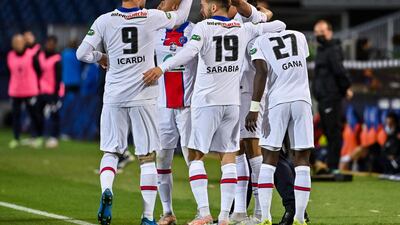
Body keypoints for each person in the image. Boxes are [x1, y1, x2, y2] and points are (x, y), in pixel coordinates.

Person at [144, 0, 285, 223]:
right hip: (232, 103)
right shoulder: (243, 28)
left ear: (212, 8)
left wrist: (162, 67)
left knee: (195, 155)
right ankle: (225, 217)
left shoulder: (203, 27)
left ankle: (205, 213)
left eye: (203, 5)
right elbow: (280, 26)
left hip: (206, 101)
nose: (200, 9)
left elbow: (189, 52)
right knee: (228, 156)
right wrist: (261, 16)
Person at [76, 0, 193, 224]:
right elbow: (180, 16)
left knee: (110, 152)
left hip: (114, 97)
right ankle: (147, 216)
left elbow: (82, 53)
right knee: (147, 157)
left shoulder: (104, 20)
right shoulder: (151, 16)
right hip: (144, 95)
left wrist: (101, 57)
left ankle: (107, 190)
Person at [245, 29, 313, 225]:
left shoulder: (258, 41)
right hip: (302, 100)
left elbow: (262, 71)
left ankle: (265, 217)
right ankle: (300, 218)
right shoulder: (299, 35)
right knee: (302, 159)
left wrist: (254, 108)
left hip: (278, 101)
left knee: (269, 158)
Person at [154, 0, 197, 224]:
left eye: (165, 1)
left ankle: (203, 210)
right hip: (162, 106)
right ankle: (168, 212)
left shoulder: (194, 30)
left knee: (193, 158)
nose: (160, 4)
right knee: (162, 159)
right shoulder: (155, 32)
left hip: (187, 106)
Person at [312, 20, 352, 173]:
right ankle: (328, 165)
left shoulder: (333, 49)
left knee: (333, 131)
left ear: (329, 32)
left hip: (331, 96)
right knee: (327, 132)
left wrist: (346, 87)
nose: (318, 35)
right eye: (316, 32)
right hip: (323, 98)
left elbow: (339, 71)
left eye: (321, 31)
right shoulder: (322, 50)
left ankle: (333, 167)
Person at [7, 34, 42, 149]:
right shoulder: (10, 55)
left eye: (19, 42)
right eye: (15, 42)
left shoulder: (31, 55)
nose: (17, 44)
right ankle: (16, 138)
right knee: (16, 116)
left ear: (24, 43)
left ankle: (38, 137)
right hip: (15, 90)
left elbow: (38, 70)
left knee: (34, 114)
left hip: (30, 90)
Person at [36, 35, 63, 148]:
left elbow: (58, 77)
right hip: (41, 90)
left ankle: (54, 137)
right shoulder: (40, 55)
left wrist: (56, 94)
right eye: (48, 43)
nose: (50, 45)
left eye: (52, 43)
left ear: (55, 45)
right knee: (38, 114)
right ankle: (38, 136)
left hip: (52, 91)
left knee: (53, 115)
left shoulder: (57, 58)